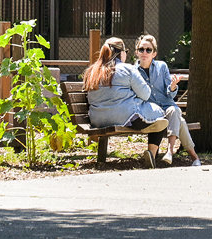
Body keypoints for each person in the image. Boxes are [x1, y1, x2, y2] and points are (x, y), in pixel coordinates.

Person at [83, 36, 169, 167]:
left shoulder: (92, 71)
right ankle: (151, 154)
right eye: (125, 52)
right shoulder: (128, 69)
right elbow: (146, 95)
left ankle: (151, 152)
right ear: (121, 52)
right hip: (124, 117)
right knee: (159, 113)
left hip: (97, 119)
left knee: (154, 117)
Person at [134, 33, 201, 167]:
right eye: (141, 49)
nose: (144, 53)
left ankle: (169, 151)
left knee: (174, 110)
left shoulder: (162, 67)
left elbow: (170, 96)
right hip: (151, 112)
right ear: (136, 52)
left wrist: (172, 87)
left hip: (167, 107)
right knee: (180, 121)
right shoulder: (133, 71)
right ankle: (194, 158)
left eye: (148, 50)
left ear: (154, 53)